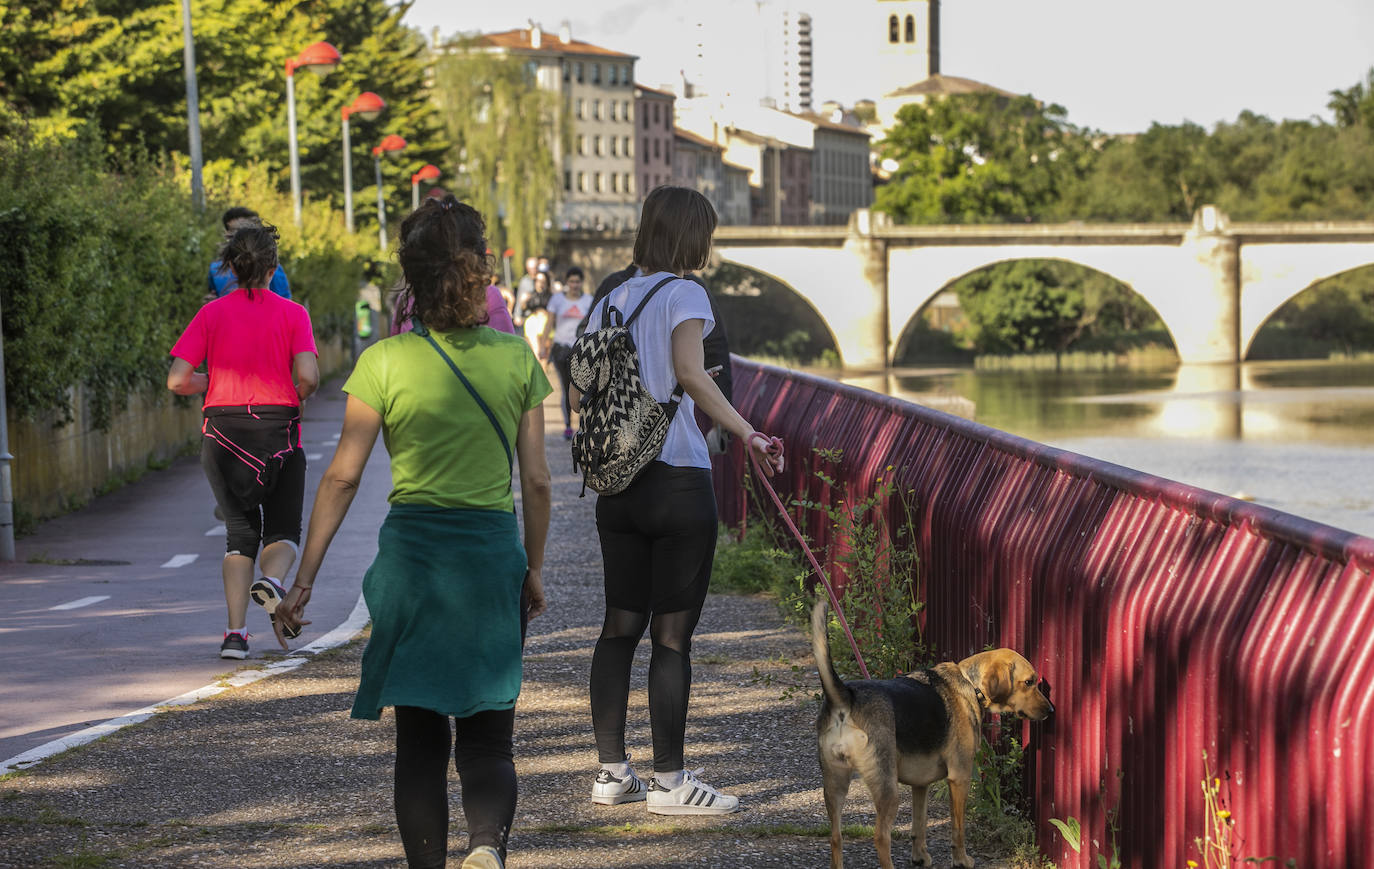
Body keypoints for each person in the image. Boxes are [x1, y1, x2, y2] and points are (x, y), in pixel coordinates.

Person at [272, 195, 552, 869]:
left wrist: (302, 580)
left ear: (411, 277)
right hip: (490, 560)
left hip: (414, 565)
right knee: (488, 739)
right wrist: (533, 568)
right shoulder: (517, 360)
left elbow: (341, 478)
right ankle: (486, 847)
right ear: (484, 269)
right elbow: (538, 481)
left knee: (420, 745)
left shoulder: (384, 362)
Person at [573, 186, 783, 815]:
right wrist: (748, 432)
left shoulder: (609, 296)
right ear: (692, 236)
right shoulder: (684, 293)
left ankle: (612, 774)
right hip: (675, 477)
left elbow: (587, 381)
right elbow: (692, 374)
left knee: (618, 628)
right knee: (671, 638)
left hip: (618, 485)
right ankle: (670, 783)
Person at [167, 222, 319, 660]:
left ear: (230, 267)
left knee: (238, 535)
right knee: (285, 529)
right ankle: (271, 584)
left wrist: (214, 380)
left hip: (222, 432)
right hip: (278, 430)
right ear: (273, 267)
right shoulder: (294, 314)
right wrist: (293, 395)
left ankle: (235, 635)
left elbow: (177, 379)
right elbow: (307, 376)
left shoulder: (210, 314)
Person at [543, 266, 594, 440]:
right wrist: (544, 345)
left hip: (581, 350)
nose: (574, 285)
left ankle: (583, 424)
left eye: (577, 281)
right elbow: (549, 323)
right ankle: (567, 425)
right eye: (571, 281)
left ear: (581, 283)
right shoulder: (557, 300)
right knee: (566, 388)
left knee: (582, 388)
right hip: (561, 348)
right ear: (567, 282)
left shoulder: (588, 301)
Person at [206, 207, 291, 300]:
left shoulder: (269, 265)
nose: (241, 234)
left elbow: (284, 300)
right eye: (233, 230)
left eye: (244, 229)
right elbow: (214, 297)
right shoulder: (215, 269)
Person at [522, 271, 552, 361]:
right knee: (536, 350)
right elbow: (524, 308)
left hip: (546, 322)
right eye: (538, 280)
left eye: (543, 281)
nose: (540, 283)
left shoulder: (551, 296)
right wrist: (523, 302)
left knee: (545, 353)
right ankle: (537, 356)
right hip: (533, 321)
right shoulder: (530, 295)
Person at [512, 256, 539, 327]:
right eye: (530, 269)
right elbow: (519, 299)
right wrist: (517, 315)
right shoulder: (524, 281)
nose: (533, 271)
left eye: (535, 268)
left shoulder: (542, 278)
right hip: (528, 315)